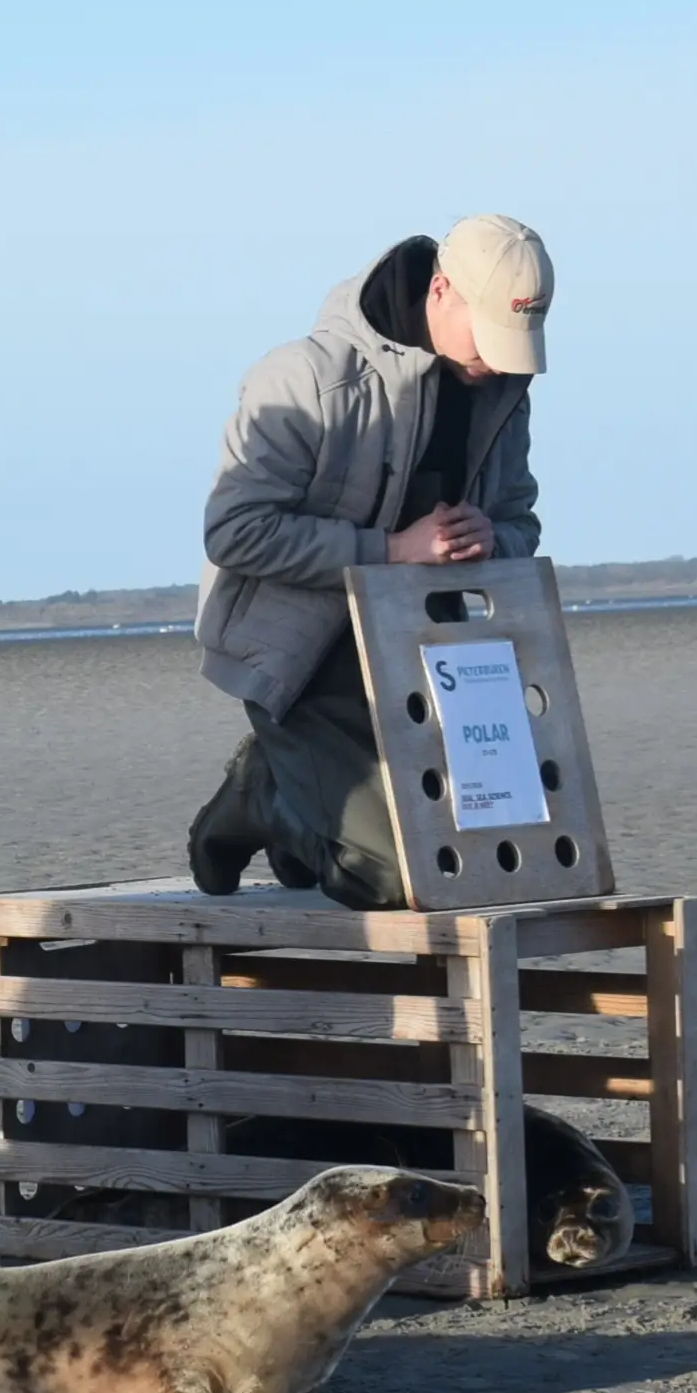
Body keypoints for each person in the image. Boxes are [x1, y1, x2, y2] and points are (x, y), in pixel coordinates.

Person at [185, 214, 554, 907]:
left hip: (424, 655)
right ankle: (264, 791)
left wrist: (491, 538)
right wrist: (391, 551)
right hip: (303, 660)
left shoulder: (504, 386)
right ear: (441, 291)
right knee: (393, 877)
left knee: (482, 854)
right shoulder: (304, 378)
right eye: (492, 339)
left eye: (518, 345)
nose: (501, 362)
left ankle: (303, 817)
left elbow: (519, 522)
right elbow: (232, 532)